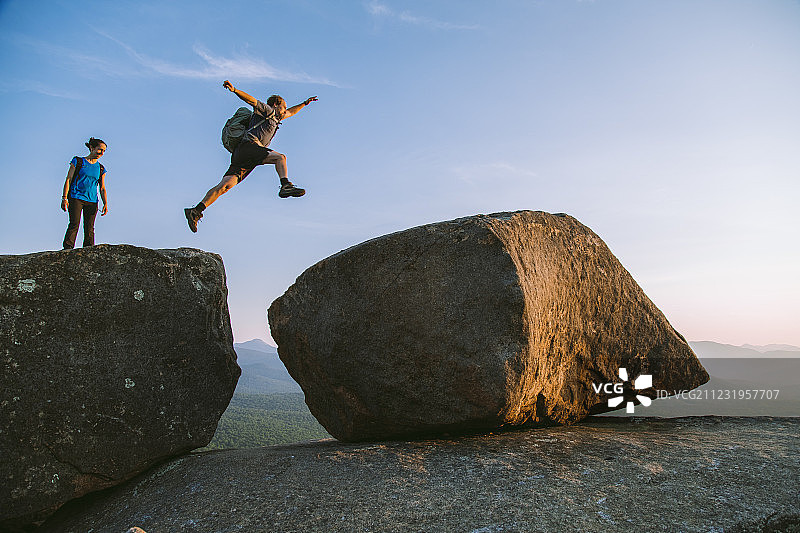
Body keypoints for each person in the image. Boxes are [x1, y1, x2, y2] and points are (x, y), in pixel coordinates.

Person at [184, 80, 318, 232]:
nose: (285, 110)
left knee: (225, 186)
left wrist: (304, 104)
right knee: (280, 158)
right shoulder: (267, 110)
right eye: (284, 107)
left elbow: (292, 112)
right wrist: (235, 90)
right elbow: (251, 100)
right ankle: (286, 185)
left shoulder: (276, 118)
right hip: (249, 146)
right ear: (276, 104)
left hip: (241, 155)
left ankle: (196, 210)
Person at [61, 138, 108, 249]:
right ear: (92, 148)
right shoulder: (78, 161)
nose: (101, 153)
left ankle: (89, 250)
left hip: (92, 201)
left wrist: (105, 203)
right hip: (76, 197)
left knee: (89, 228)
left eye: (104, 151)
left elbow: (102, 188)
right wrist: (64, 198)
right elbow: (68, 179)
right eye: (99, 150)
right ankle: (67, 249)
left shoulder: (101, 168)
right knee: (74, 224)